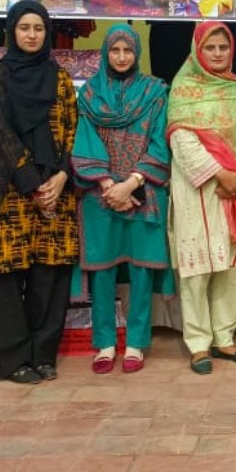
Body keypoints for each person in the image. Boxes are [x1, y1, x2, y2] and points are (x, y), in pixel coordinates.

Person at [0, 0, 78, 384]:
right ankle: (12, 360)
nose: (32, 35)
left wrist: (61, 175)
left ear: (47, 32)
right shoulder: (0, 75)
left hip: (56, 192)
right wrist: (31, 180)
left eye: (38, 28)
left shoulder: (60, 78)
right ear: (11, 31)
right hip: (10, 193)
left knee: (50, 276)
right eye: (24, 28)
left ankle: (43, 355)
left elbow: (72, 129)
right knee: (8, 277)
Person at [168, 21, 236, 375]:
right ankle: (199, 344)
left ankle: (224, 337)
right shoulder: (183, 88)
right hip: (199, 189)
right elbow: (180, 139)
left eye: (223, 48)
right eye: (209, 48)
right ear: (197, 50)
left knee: (233, 267)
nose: (217, 53)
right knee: (197, 270)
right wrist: (219, 174)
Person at [72, 24, 174, 375]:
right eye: (114, 50)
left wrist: (130, 184)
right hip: (100, 194)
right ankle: (104, 344)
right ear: (105, 53)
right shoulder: (89, 93)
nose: (121, 57)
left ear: (137, 53)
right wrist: (108, 185)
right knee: (102, 270)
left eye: (127, 50)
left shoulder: (155, 92)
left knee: (141, 270)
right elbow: (84, 139)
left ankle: (135, 343)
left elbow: (160, 141)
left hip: (143, 190)